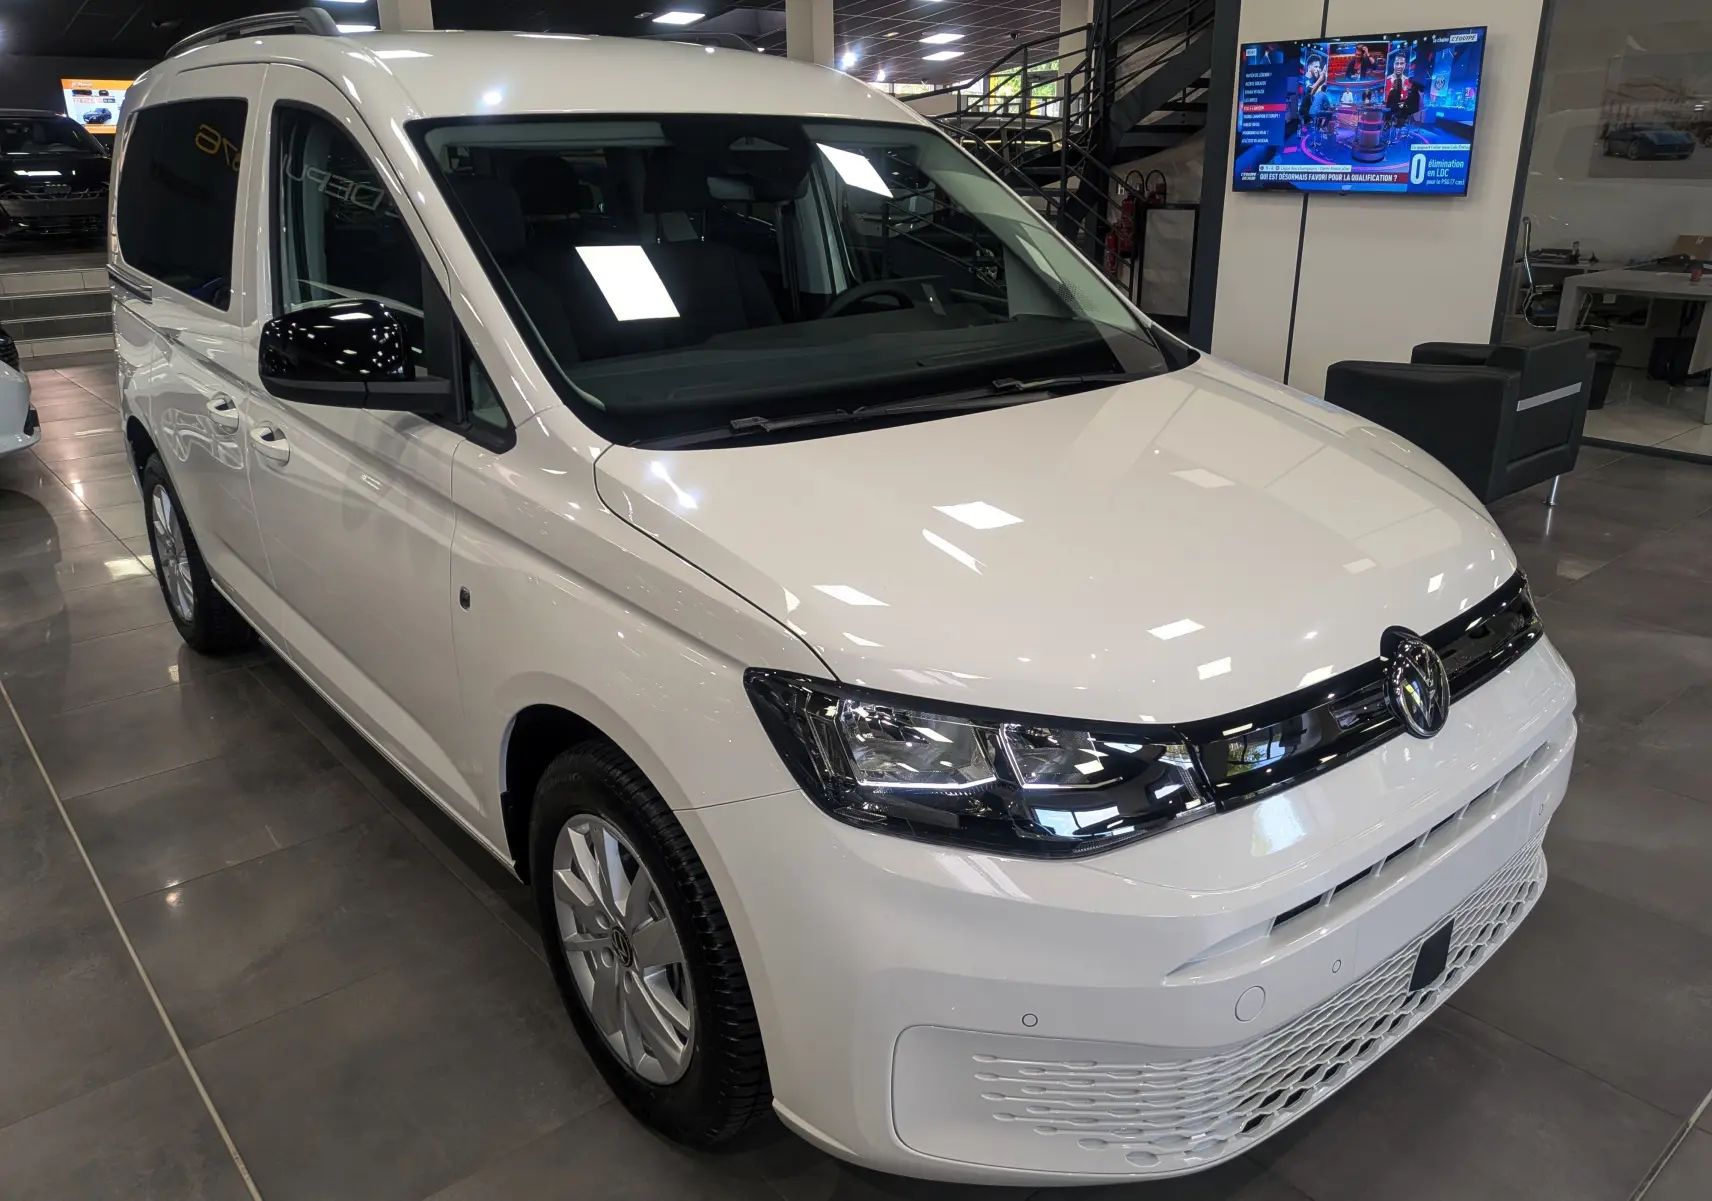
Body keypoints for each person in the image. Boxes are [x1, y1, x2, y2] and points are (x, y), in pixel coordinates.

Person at [1385, 53, 1421, 133]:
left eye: (1401, 63)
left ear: (1405, 65)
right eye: (1397, 63)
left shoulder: (1409, 82)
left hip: (1402, 107)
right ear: (1393, 64)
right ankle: (1391, 124)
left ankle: (1397, 126)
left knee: (1399, 111)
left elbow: (1408, 101)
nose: (1399, 66)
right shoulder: (1387, 80)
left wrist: (1402, 104)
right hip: (1396, 106)